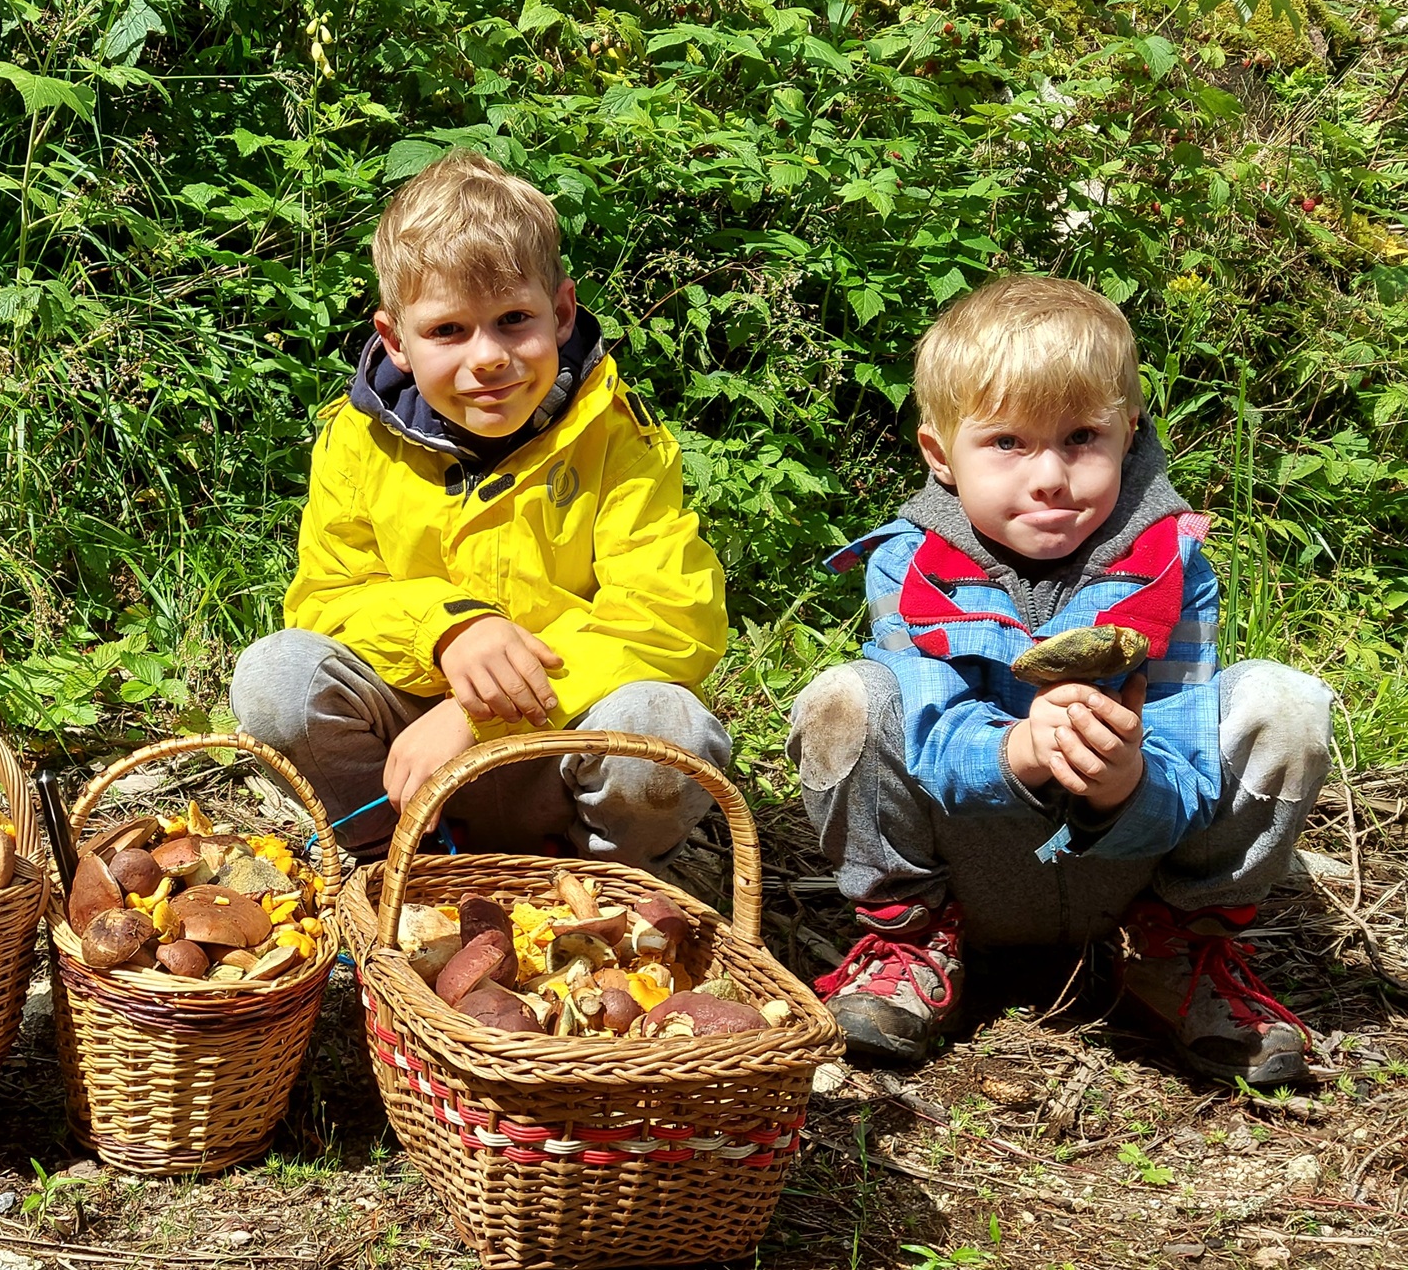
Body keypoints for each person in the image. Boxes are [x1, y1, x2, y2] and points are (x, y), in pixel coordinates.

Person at [787, 275, 1332, 1084]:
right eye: (1007, 442)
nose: (1049, 474)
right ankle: (908, 940)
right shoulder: (909, 566)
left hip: (1129, 871)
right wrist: (1019, 752)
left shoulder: (1173, 569)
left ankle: (1176, 949)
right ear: (940, 454)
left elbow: (1183, 746)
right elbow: (929, 732)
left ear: (1127, 431)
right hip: (971, 864)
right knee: (846, 699)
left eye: (1081, 437)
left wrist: (1127, 782)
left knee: (1286, 703)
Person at [232, 149, 730, 874]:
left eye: (512, 319)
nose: (489, 356)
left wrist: (475, 714)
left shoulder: (619, 435)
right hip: (411, 752)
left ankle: (596, 880)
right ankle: (391, 863)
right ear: (396, 339)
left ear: (560, 313)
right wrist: (448, 628)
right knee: (277, 674)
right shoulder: (355, 436)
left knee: (666, 724)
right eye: (448, 331)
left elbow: (673, 617)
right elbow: (326, 601)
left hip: (560, 744)